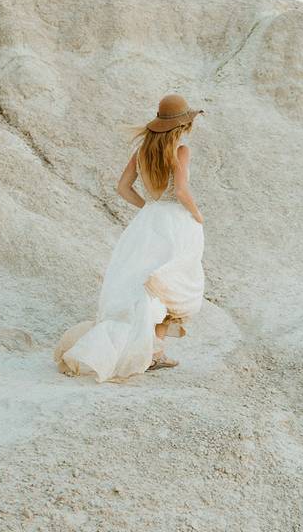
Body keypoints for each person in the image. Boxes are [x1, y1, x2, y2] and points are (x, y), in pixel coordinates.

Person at [54, 94, 206, 382]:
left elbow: (123, 187)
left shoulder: (142, 151)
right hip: (176, 223)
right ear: (182, 126)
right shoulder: (181, 151)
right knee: (171, 283)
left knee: (148, 284)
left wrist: (147, 207)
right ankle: (155, 352)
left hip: (147, 224)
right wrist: (198, 215)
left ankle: (152, 352)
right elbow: (183, 191)